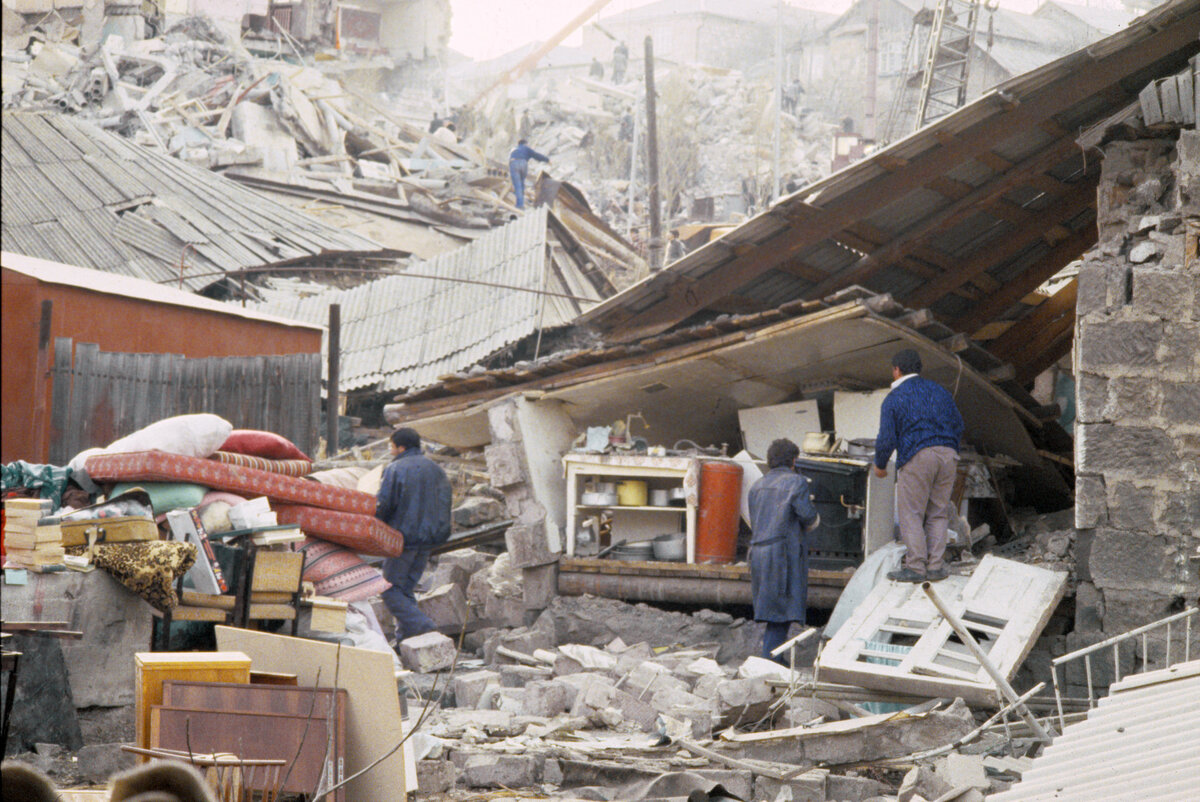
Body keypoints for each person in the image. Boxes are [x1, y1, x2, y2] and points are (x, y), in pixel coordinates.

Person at [873, 349, 964, 583]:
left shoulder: (894, 397)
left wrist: (880, 464)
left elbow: (887, 438)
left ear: (896, 370)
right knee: (938, 513)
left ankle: (915, 568)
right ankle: (935, 567)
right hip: (948, 454)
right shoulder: (940, 392)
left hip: (918, 454)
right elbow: (959, 424)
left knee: (912, 513)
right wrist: (948, 447)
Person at [376, 427, 452, 644]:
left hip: (403, 540)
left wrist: (375, 526)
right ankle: (406, 640)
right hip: (428, 540)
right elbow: (446, 503)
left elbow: (384, 505)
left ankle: (424, 627)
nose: (390, 449)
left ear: (401, 447)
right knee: (405, 589)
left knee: (389, 590)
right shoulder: (436, 470)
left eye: (391, 445)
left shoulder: (395, 469)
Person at [748, 438, 821, 664]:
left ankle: (776, 659)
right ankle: (770, 660)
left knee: (774, 612)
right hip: (782, 554)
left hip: (758, 553)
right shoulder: (796, 482)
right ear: (794, 460)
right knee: (782, 612)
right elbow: (808, 517)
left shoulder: (756, 486)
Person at [508, 139, 549, 210]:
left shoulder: (514, 149)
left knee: (517, 185)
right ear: (525, 144)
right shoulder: (526, 148)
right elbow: (536, 155)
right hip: (523, 163)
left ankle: (519, 204)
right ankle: (520, 205)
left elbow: (509, 159)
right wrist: (547, 160)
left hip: (514, 163)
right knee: (521, 184)